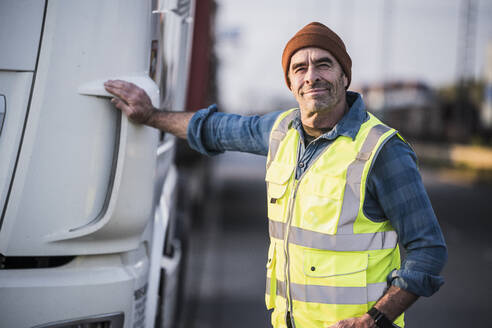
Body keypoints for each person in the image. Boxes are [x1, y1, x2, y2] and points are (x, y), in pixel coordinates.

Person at [105, 22, 447, 328]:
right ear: (291, 83)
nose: (311, 75)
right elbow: (212, 129)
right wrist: (150, 115)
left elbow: (428, 250)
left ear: (344, 77)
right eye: (300, 68)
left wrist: (374, 319)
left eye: (324, 64)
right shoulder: (280, 130)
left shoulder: (382, 150)